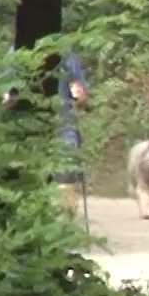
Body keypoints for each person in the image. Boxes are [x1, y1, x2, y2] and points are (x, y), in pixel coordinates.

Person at [56, 52, 91, 215]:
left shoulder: (14, 52)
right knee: (66, 173)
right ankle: (65, 218)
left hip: (25, 130)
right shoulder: (66, 56)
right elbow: (80, 95)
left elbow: (6, 97)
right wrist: (82, 102)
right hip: (63, 126)